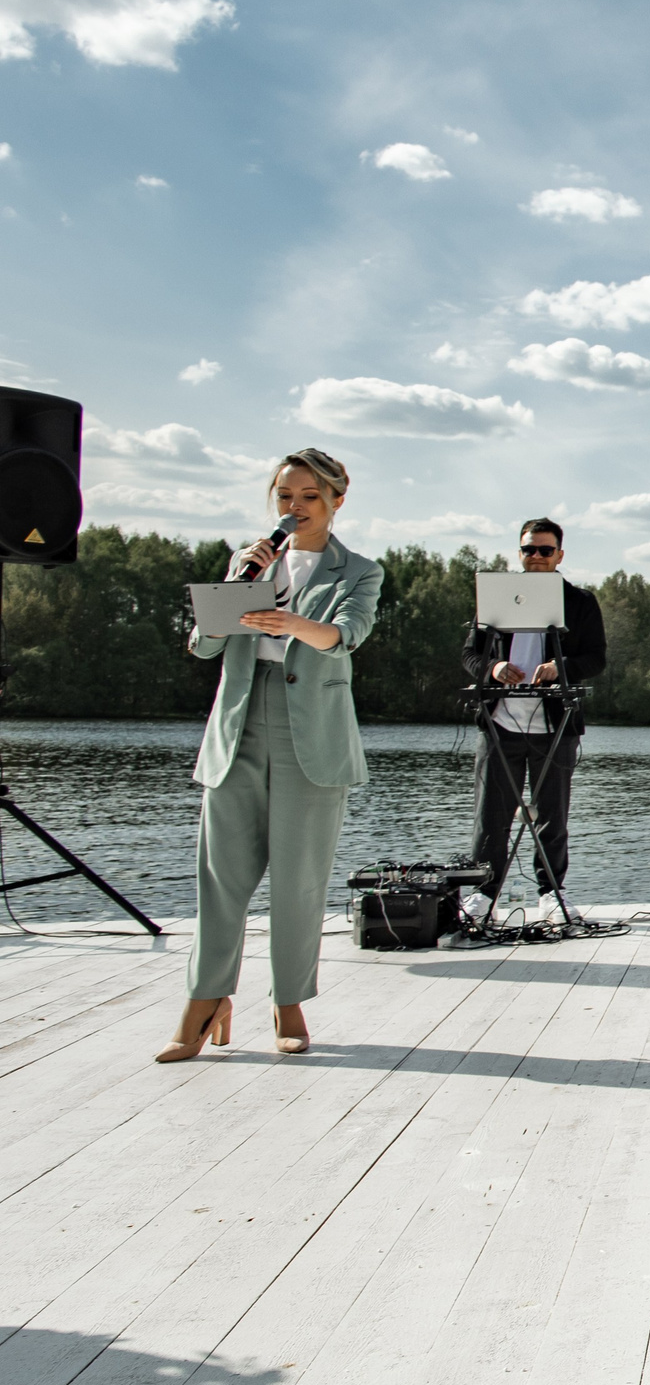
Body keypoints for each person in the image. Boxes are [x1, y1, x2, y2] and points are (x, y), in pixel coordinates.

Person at [159, 449, 382, 1063]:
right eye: (285, 495)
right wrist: (237, 587)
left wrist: (289, 623)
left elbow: (346, 637)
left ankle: (288, 1002)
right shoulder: (246, 560)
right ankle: (205, 1002)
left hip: (310, 731)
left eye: (310, 496)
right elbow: (204, 646)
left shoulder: (358, 570)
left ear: (338, 499)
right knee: (220, 877)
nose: (295, 507)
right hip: (237, 725)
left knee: (298, 880)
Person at [461, 518, 609, 923]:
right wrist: (493, 668)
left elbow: (596, 659)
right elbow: (469, 655)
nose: (537, 557)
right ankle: (483, 895)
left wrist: (559, 669)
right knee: (490, 816)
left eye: (546, 550)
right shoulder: (495, 599)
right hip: (499, 723)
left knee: (552, 816)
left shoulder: (579, 602)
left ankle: (551, 893)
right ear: (520, 553)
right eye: (529, 550)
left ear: (560, 555)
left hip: (555, 725)